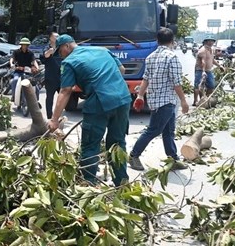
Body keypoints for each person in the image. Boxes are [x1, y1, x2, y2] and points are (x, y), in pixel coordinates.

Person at [47, 35, 131, 186]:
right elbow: (122, 69)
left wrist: (54, 120)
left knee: (91, 145)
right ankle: (122, 184)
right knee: (117, 144)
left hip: (99, 101)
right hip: (123, 99)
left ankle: (88, 186)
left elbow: (65, 91)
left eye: (59, 51)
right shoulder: (102, 50)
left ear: (66, 47)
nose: (60, 56)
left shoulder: (69, 62)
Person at [128, 28, 189, 172]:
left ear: (157, 41)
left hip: (156, 99)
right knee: (153, 130)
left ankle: (173, 159)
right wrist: (184, 101)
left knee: (168, 131)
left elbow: (145, 78)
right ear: (173, 42)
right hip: (166, 101)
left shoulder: (150, 57)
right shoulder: (171, 57)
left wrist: (140, 95)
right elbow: (177, 82)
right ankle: (133, 156)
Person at [193, 37, 220, 106]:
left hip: (208, 70)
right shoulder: (202, 50)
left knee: (211, 86)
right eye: (209, 41)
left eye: (212, 41)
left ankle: (206, 99)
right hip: (200, 70)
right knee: (198, 85)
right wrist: (203, 71)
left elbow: (212, 60)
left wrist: (220, 66)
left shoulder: (211, 49)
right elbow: (203, 61)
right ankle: (195, 101)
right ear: (205, 42)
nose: (211, 43)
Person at [40, 32, 61, 119]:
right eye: (56, 36)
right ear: (51, 38)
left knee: (62, 98)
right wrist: (50, 51)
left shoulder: (61, 48)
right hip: (50, 78)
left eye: (58, 36)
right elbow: (44, 57)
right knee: (49, 98)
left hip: (61, 77)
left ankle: (58, 115)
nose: (57, 37)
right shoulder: (47, 48)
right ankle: (49, 117)